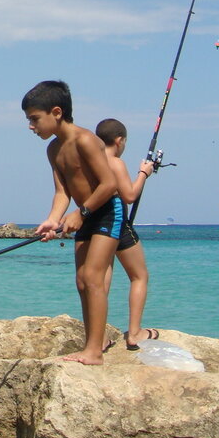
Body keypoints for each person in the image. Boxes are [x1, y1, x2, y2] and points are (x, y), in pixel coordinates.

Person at [25, 80, 120, 365]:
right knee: (81, 281)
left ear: (56, 112)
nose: (31, 126)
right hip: (85, 216)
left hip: (105, 213)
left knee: (93, 278)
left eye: (34, 119)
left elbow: (109, 184)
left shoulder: (85, 139)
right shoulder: (53, 150)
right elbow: (62, 192)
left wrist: (82, 213)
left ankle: (94, 353)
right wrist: (52, 221)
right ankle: (94, 342)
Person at [95, 118, 157, 349]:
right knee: (139, 276)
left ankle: (99, 339)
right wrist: (144, 173)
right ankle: (135, 333)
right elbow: (129, 195)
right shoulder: (115, 162)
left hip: (96, 225)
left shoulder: (91, 161)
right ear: (119, 141)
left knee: (100, 282)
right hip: (117, 224)